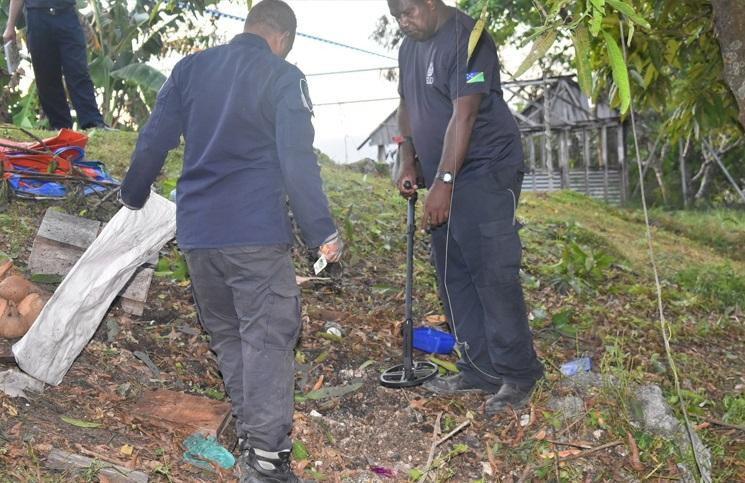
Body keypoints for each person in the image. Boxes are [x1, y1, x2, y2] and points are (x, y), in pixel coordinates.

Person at [118, 1, 342, 481]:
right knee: (267, 338)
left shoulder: (190, 68)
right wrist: (321, 230)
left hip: (198, 235)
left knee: (231, 337)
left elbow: (154, 138)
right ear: (283, 38)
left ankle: (252, 441)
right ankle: (266, 460)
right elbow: (296, 159)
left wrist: (132, 195)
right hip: (254, 232)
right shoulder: (283, 76)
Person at [388, 0, 544, 415]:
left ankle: (518, 374)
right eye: (396, 17)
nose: (405, 23)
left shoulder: (468, 38)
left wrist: (444, 182)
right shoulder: (409, 47)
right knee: (452, 273)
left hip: (485, 168)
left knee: (492, 271)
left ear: (429, 2)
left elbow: (466, 114)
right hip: (443, 172)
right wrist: (409, 161)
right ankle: (479, 368)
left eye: (408, 12)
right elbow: (406, 104)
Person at [3, 0, 106, 129]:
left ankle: (93, 122)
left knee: (77, 71)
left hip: (67, 14)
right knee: (46, 77)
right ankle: (61, 128)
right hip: (37, 17)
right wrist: (10, 26)